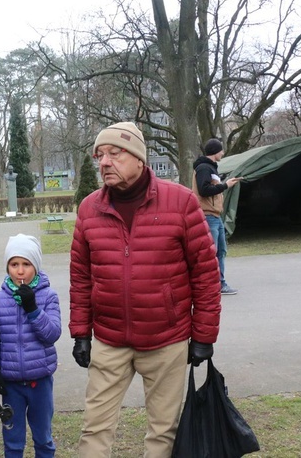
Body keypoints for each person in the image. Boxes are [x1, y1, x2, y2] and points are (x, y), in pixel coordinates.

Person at [70, 121, 222, 457]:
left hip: (166, 340)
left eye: (114, 153)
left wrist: (204, 336)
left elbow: (206, 275)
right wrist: (81, 333)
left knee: (163, 432)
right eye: (100, 155)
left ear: (139, 158)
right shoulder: (89, 209)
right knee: (94, 428)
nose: (104, 162)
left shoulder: (180, 202)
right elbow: (81, 277)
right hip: (109, 341)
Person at [0, 234, 61, 458]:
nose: (20, 271)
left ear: (35, 266)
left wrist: (33, 309)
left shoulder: (48, 296)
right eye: (14, 264)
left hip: (40, 382)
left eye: (26, 264)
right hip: (11, 384)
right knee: (13, 440)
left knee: (43, 438)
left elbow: (52, 334)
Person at [192, 138, 243, 295]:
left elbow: (213, 188)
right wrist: (225, 185)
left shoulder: (211, 168)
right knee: (210, 253)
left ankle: (220, 283)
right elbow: (204, 190)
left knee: (221, 251)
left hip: (216, 216)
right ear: (215, 151)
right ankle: (207, 285)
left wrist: (226, 183)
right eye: (221, 150)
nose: (222, 153)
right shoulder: (203, 168)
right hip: (208, 216)